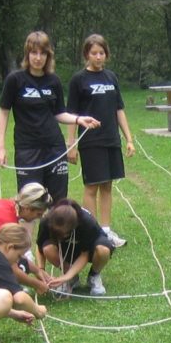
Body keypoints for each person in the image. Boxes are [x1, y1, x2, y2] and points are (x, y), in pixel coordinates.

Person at [0, 31, 100, 203]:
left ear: (48, 56)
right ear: (27, 54)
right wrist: (0, 146)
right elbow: (4, 111)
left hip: (55, 148)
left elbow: (59, 113)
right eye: (34, 52)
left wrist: (78, 119)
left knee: (58, 203)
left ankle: (56, 231)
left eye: (42, 53)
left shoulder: (53, 81)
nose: (38, 58)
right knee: (29, 204)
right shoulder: (15, 80)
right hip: (27, 150)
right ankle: (27, 231)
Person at [66, 33, 136, 248]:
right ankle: (92, 232)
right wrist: (71, 143)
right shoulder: (79, 80)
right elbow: (71, 114)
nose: (98, 57)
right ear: (86, 54)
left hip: (110, 140)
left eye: (101, 53)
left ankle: (105, 231)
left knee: (107, 186)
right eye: (94, 53)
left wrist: (129, 139)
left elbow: (119, 109)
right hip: (91, 141)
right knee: (91, 187)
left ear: (106, 54)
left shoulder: (111, 78)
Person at [37, 198, 114, 297]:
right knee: (47, 248)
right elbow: (39, 247)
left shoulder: (87, 222)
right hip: (65, 248)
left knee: (103, 250)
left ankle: (93, 276)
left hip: (88, 248)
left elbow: (84, 254)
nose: (62, 236)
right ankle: (72, 279)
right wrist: (40, 270)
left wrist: (65, 277)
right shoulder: (47, 220)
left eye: (65, 233)